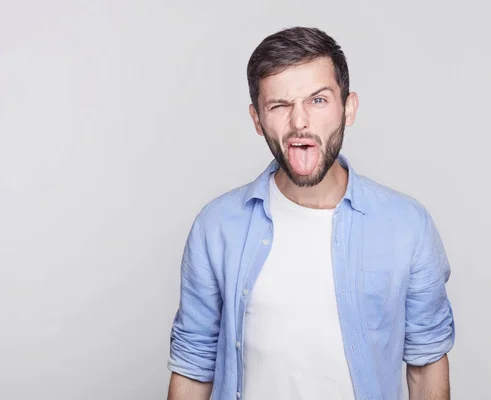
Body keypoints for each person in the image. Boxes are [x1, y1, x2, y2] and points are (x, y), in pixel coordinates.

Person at [167, 26, 455, 400]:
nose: (299, 122)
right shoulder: (217, 226)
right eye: (280, 105)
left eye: (317, 100)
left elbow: (426, 362)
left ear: (348, 108)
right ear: (257, 119)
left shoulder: (408, 226)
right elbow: (193, 367)